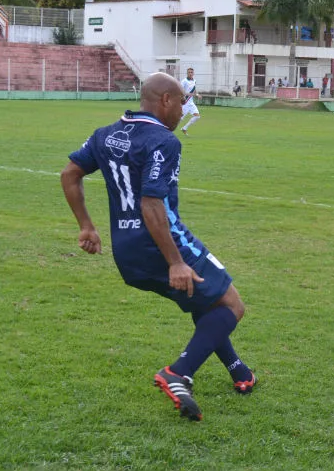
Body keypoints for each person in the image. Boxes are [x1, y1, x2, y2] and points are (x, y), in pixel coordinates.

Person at [60, 72, 257, 422]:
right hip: (162, 241)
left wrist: (87, 227)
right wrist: (175, 262)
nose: (184, 109)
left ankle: (239, 370)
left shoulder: (105, 134)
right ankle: (178, 373)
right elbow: (152, 205)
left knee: (206, 297)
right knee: (232, 304)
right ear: (165, 100)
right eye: (182, 101)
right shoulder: (164, 141)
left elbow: (69, 174)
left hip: (126, 251)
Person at [179, 67, 201, 136]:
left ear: (193, 73)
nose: (190, 73)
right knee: (179, 119)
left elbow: (194, 90)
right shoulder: (184, 81)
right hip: (185, 102)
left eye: (191, 72)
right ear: (187, 73)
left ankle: (184, 128)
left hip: (191, 103)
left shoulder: (194, 80)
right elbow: (181, 91)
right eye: (189, 72)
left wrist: (197, 94)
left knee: (197, 116)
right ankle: (167, 130)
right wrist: (190, 94)